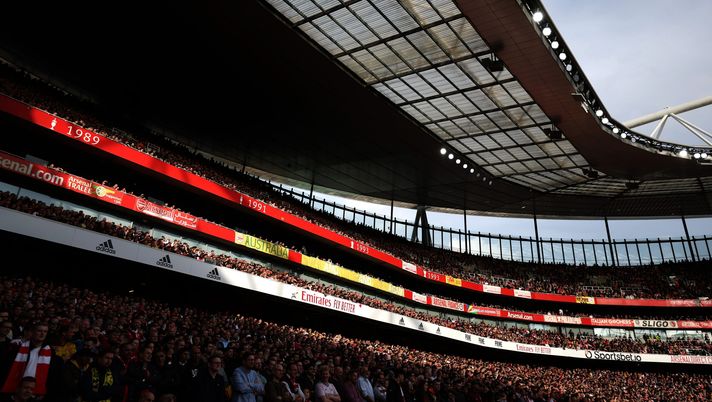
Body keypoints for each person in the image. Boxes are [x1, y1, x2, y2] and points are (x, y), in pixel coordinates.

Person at [0, 323, 57, 397]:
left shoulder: (51, 353)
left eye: (45, 331)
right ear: (32, 332)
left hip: (37, 393)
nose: (42, 334)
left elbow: (52, 375)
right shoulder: (17, 350)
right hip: (17, 389)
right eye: (39, 331)